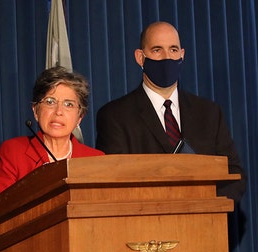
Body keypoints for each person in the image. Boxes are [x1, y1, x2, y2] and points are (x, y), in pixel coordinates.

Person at [95, 21, 246, 202]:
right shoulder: (115, 116)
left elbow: (234, 174)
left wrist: (203, 203)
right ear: (140, 57)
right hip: (144, 225)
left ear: (182, 55)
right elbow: (114, 182)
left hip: (205, 223)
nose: (167, 57)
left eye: (173, 50)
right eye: (157, 50)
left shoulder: (209, 113)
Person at [0, 66, 105, 199]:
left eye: (68, 104)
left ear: (79, 117)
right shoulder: (15, 152)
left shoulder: (95, 159)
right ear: (35, 111)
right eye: (50, 102)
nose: (58, 111)